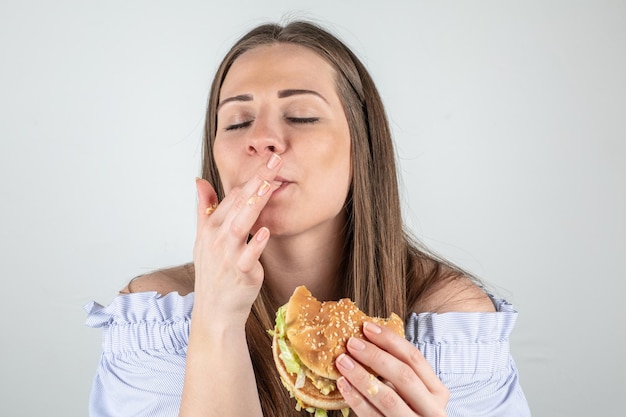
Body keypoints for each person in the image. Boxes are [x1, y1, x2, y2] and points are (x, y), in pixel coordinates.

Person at [85, 20, 530, 417]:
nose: (263, 140)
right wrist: (216, 321)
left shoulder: (453, 329)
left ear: (364, 148)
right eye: (237, 122)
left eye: (301, 116)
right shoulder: (154, 325)